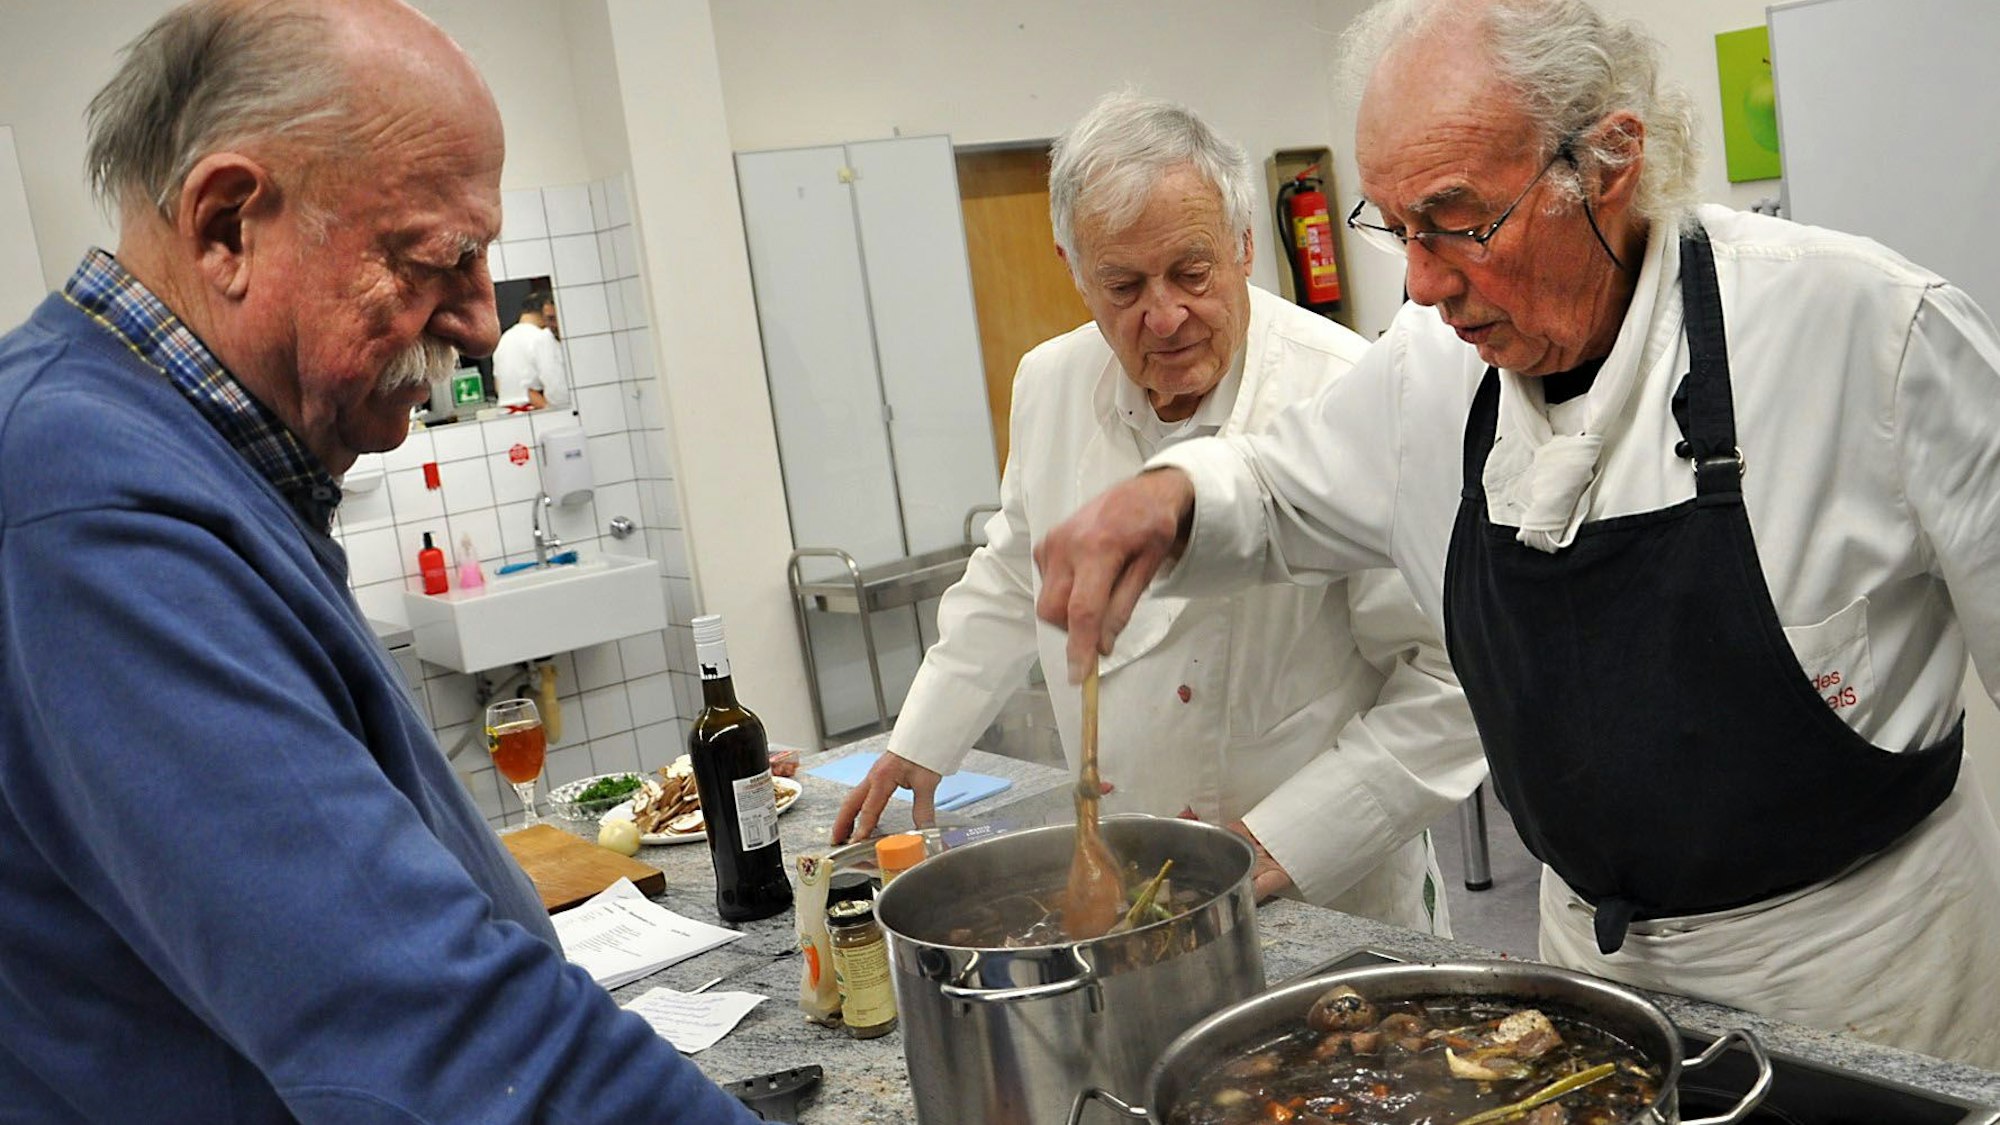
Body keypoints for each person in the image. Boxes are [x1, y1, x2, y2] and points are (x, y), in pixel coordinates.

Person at [1032, 0, 2000, 1069]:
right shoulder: (1428, 372)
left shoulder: (1868, 333)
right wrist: (1166, 496)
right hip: (1592, 987)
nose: (1421, 281)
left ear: (1608, 163)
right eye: (1396, 227)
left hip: (1867, 986)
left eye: (1457, 218)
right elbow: (1269, 489)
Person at [0, 2, 758, 1119]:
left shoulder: (200, 464)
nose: (485, 324)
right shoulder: (84, 498)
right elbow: (436, 1039)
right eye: (434, 262)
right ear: (226, 226)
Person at [832, 91, 1486, 933]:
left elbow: (1445, 679)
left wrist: (1274, 843)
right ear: (1072, 266)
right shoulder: (1050, 384)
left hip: (1329, 886)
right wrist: (924, 733)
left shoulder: (1345, 389)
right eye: (1123, 285)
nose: (1165, 315)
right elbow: (1014, 569)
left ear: (1246, 245)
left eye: (1192, 271)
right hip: (1137, 886)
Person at [492, 289, 568, 409]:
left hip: (505, 411)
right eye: (550, 318)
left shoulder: (503, 339)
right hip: (533, 409)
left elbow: (497, 385)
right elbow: (531, 390)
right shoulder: (539, 338)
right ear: (541, 314)